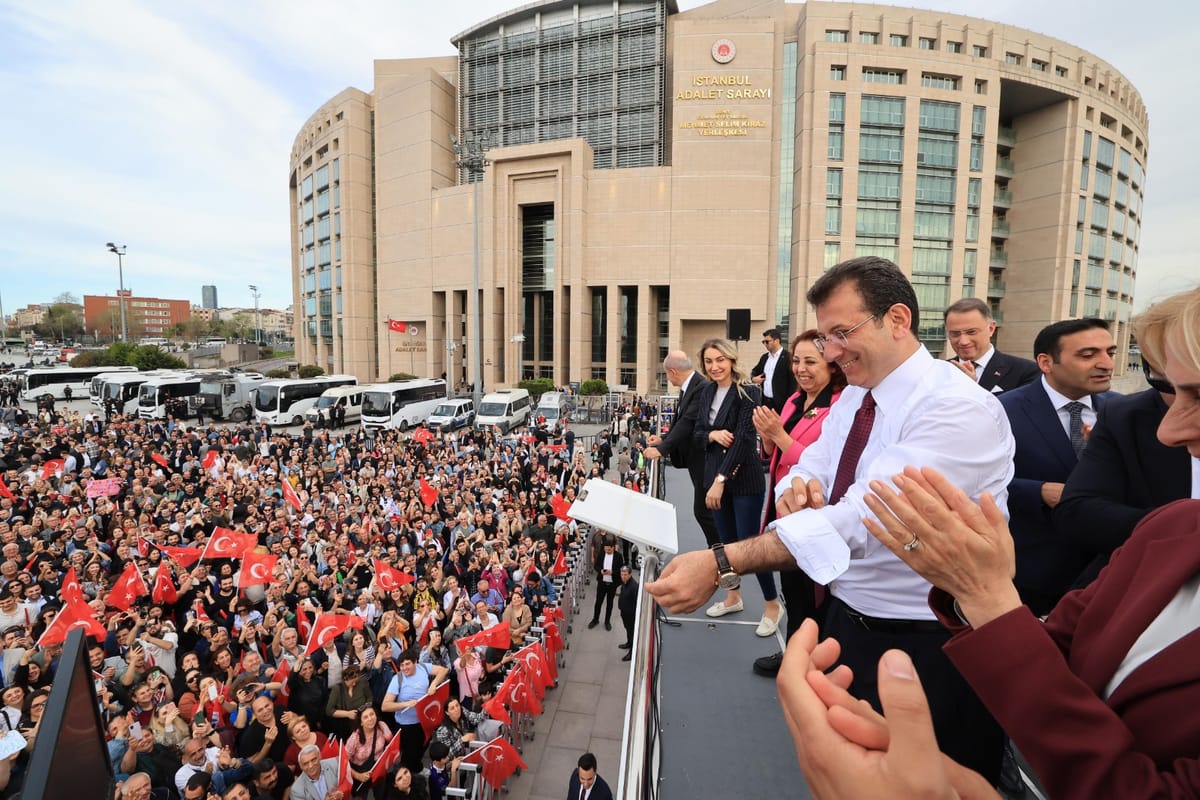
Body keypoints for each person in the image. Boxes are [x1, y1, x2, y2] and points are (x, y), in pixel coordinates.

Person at [647, 256, 1012, 783]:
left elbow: (868, 519)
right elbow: (818, 459)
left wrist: (724, 560)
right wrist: (801, 488)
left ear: (898, 320)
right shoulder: (859, 394)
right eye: (825, 337)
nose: (831, 351)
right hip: (851, 618)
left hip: (930, 639)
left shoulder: (956, 409)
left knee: (929, 784)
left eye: (842, 333)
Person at [848, 286, 1200, 799]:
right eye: (1168, 391)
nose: (1170, 431)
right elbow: (1057, 648)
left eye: (1198, 396)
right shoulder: (1169, 530)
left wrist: (987, 598)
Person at [999, 318, 1117, 615]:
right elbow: (973, 480)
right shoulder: (1000, 409)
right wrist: (1039, 492)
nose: (1106, 364)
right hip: (1031, 573)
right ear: (1046, 362)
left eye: (1110, 353)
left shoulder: (1123, 410)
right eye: (1088, 355)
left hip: (1107, 574)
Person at [750, 329, 846, 676]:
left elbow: (823, 463)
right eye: (796, 361)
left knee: (812, 592)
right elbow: (774, 457)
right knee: (792, 587)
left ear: (832, 365)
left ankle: (809, 661)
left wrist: (778, 435)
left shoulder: (838, 405)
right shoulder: (793, 400)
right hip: (782, 506)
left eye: (811, 361)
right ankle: (795, 653)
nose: (801, 369)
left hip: (812, 510)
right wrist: (767, 439)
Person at [1053, 362, 1192, 588]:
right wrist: (1181, 527)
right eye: (1165, 383)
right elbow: (1077, 511)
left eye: (1197, 396)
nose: (1105, 364)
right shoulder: (1123, 414)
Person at [692, 337, 780, 635]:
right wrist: (713, 435)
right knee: (725, 545)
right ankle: (734, 596)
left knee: (750, 545)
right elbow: (697, 433)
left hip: (743, 480)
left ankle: (772, 604)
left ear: (730, 360)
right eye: (708, 361)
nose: (714, 366)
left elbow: (743, 439)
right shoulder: (706, 393)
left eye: (719, 360)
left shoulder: (749, 392)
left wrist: (720, 480)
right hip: (714, 478)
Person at [643, 350, 719, 548]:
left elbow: (688, 422)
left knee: (704, 512)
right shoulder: (690, 387)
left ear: (673, 371)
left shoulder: (701, 387)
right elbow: (680, 421)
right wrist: (663, 439)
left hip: (705, 459)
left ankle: (720, 553)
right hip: (697, 459)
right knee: (705, 511)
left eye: (666, 374)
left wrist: (662, 450)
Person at [943, 297, 1039, 394]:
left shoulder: (1026, 372)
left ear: (991, 329)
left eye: (971, 332)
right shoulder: (937, 372)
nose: (963, 341)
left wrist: (971, 389)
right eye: (955, 333)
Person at [381, 648, 449, 773]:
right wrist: (406, 704)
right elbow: (385, 706)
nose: (404, 668)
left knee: (423, 746)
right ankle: (408, 776)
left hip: (424, 721)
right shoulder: (397, 679)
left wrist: (433, 684)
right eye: (402, 665)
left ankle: (417, 768)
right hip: (407, 726)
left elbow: (443, 670)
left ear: (415, 662)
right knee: (409, 755)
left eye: (408, 664)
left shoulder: (423, 667)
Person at [751, 328, 796, 414]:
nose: (765, 344)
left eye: (767, 341)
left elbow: (793, 383)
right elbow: (755, 371)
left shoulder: (788, 357)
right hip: (765, 402)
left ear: (777, 341)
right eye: (763, 342)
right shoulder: (765, 357)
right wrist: (754, 379)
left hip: (781, 403)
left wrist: (789, 403)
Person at [587, 539, 623, 631]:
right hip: (602, 583)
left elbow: (621, 569)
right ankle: (595, 619)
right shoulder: (602, 554)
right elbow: (596, 566)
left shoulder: (618, 556)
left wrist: (613, 572)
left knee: (609, 604)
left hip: (612, 584)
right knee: (598, 602)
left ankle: (607, 621)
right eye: (606, 549)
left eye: (609, 550)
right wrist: (600, 571)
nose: (607, 551)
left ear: (613, 548)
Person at [616, 565, 638, 661]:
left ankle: (632, 652)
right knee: (628, 630)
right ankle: (629, 643)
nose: (623, 576)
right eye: (622, 574)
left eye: (625, 574)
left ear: (630, 574)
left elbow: (637, 602)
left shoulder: (634, 586)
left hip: (631, 615)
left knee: (632, 632)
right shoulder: (624, 583)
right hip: (624, 613)